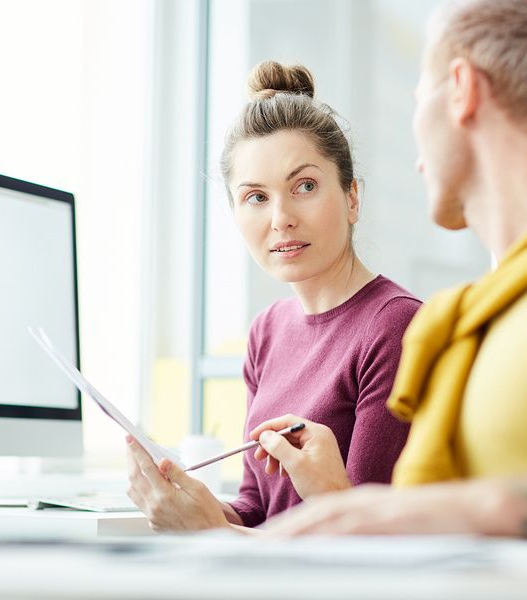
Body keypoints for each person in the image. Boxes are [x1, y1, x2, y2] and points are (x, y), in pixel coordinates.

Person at [260, 0, 527, 539]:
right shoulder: (486, 315)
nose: (418, 154)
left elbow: (456, 514)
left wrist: (469, 509)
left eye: (420, 99)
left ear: (461, 90)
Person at [125, 61, 422, 532]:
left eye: (304, 186)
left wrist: (213, 534)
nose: (280, 218)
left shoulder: (396, 327)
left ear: (352, 198)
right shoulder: (268, 330)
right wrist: (186, 501)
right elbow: (257, 510)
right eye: (256, 197)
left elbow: (369, 547)